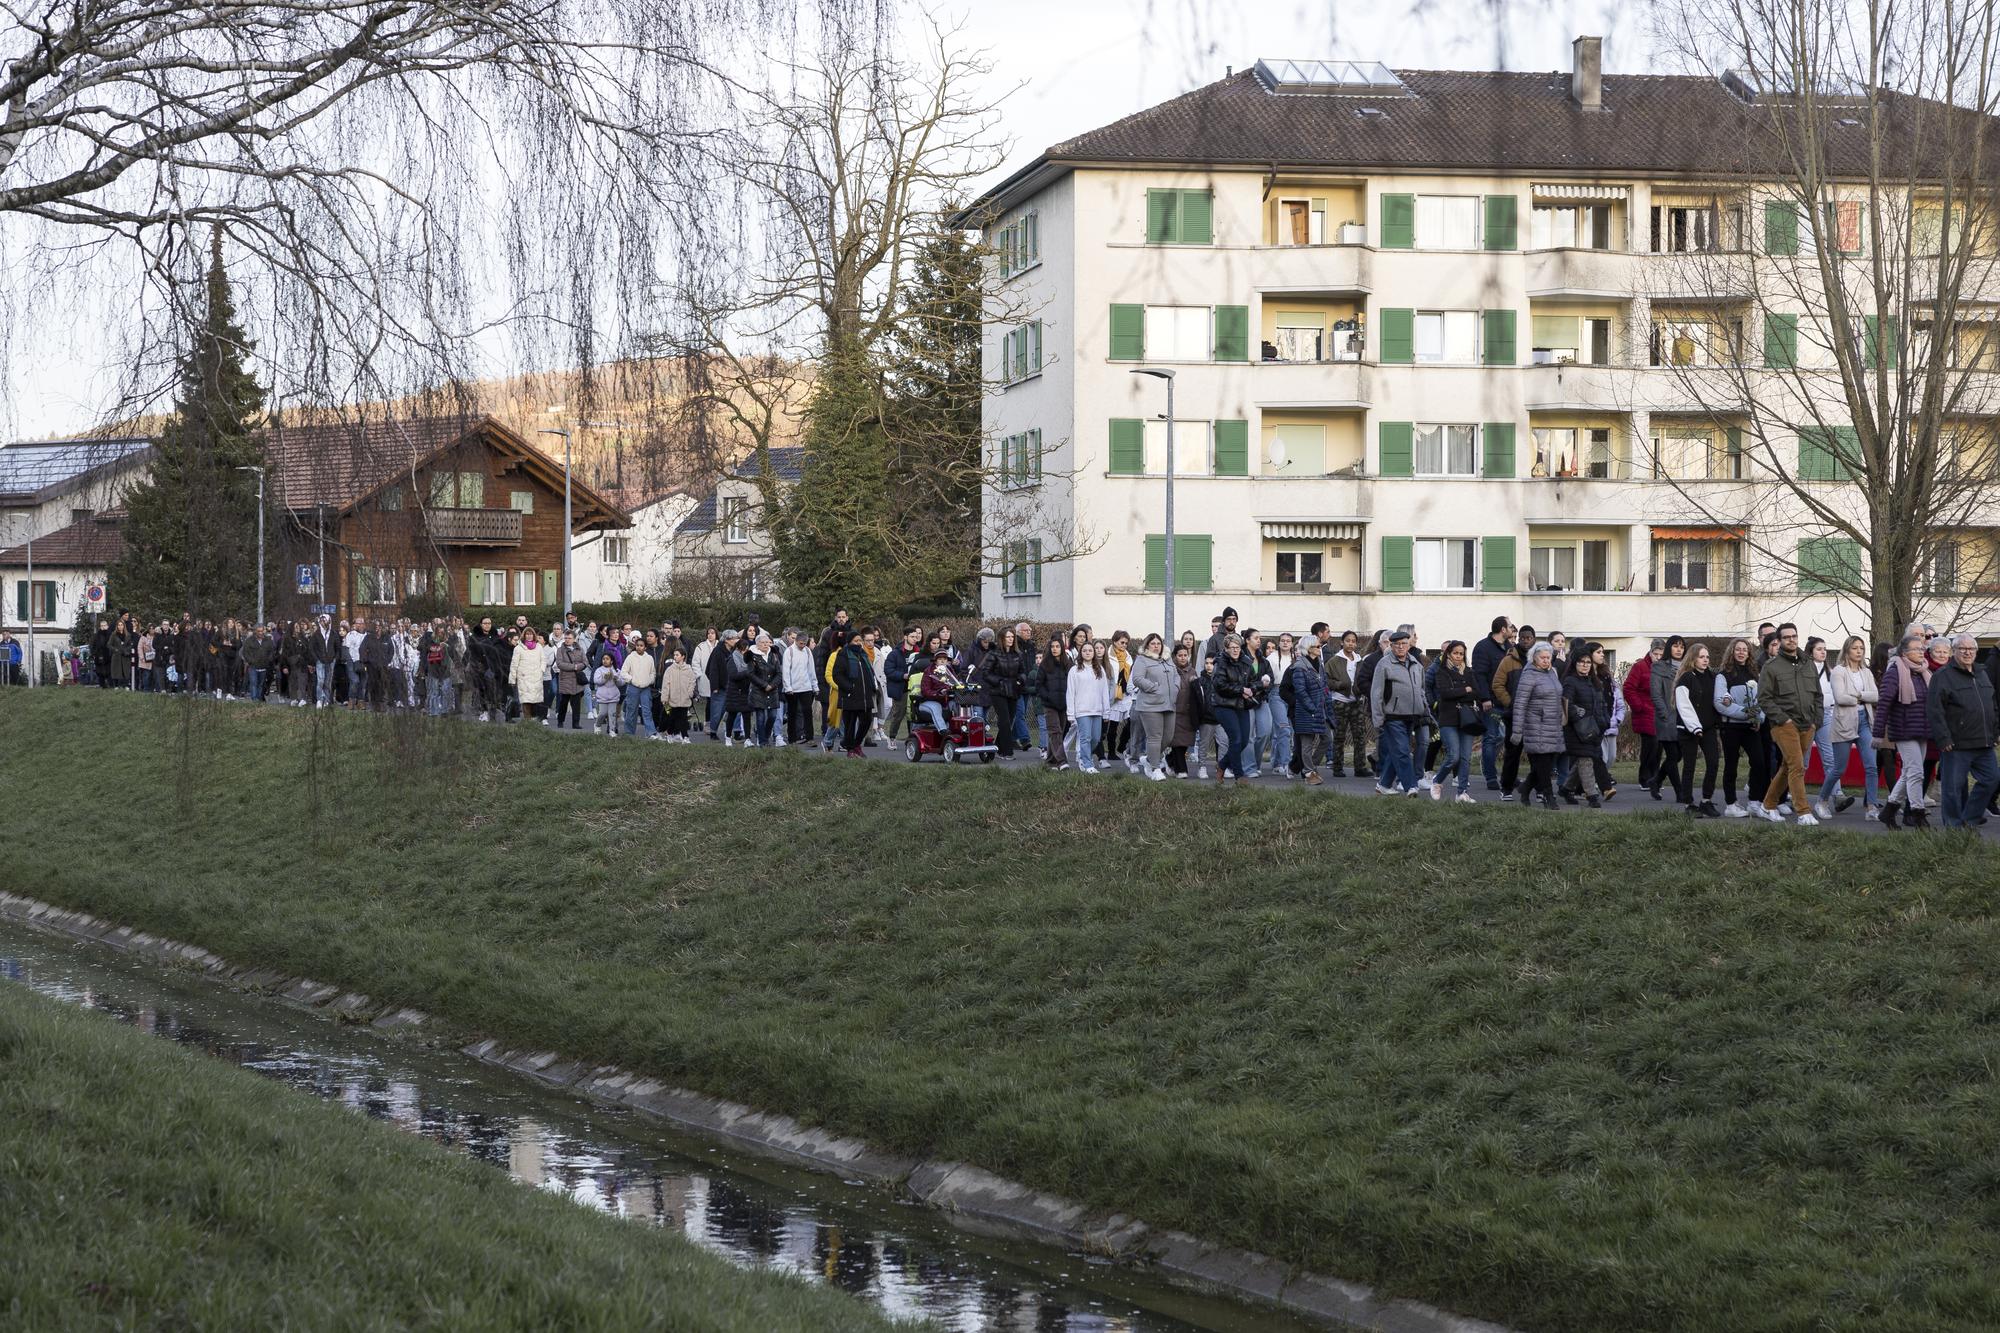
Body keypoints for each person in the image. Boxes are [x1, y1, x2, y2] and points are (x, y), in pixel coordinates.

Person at [1927, 632, 2000, 829]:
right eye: (1963, 649)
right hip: (1957, 743)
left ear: (1976, 651)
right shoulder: (1943, 676)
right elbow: (1934, 710)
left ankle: (1969, 819)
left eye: (1971, 649)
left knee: (1992, 779)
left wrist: (1994, 732)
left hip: (1984, 742)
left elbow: (1992, 704)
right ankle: (1953, 827)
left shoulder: (1981, 673)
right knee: (1953, 788)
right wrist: (1943, 738)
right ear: (1954, 651)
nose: (1967, 652)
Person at [1756, 623, 1822, 825]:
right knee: (1797, 766)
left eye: (1794, 636)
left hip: (1807, 724)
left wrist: (1815, 721)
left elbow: (1818, 695)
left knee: (1787, 767)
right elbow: (1764, 698)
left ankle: (1767, 805)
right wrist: (1783, 719)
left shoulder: (1808, 664)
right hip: (1783, 724)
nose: (1791, 640)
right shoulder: (1772, 666)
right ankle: (1803, 812)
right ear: (1780, 641)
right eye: (1786, 637)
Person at [1816, 635, 1880, 821]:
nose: (1859, 651)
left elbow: (1876, 696)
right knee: (1839, 768)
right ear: (1847, 650)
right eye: (1855, 648)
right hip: (1844, 722)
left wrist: (1858, 694)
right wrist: (1862, 697)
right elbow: (1840, 698)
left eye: (1861, 648)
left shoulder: (1866, 672)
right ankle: (1821, 801)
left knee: (1871, 767)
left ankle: (1871, 807)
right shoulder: (1839, 671)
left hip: (1865, 722)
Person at [1877, 632, 1933, 829]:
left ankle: (1888, 811)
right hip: (1903, 730)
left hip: (1922, 730)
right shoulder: (1895, 671)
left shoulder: (1923, 672)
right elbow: (1884, 703)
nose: (1921, 652)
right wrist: (1877, 734)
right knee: (1917, 772)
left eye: (1922, 649)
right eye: (1916, 649)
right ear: (1904, 652)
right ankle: (1917, 814)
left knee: (1909, 772)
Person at [1712, 639, 1767, 817]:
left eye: (1745, 650)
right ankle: (1731, 804)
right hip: (1731, 728)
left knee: (1759, 763)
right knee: (1731, 766)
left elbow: (1761, 700)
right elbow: (1721, 704)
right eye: (1738, 649)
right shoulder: (1723, 675)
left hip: (1751, 727)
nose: (1741, 652)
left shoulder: (1754, 674)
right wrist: (1747, 713)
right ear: (1732, 652)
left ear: (1749, 653)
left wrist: (1758, 717)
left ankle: (1754, 801)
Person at [1368, 630, 1425, 796]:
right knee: (1402, 751)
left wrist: (1424, 711)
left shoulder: (1416, 665)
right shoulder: (1384, 664)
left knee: (1396, 752)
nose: (1400, 647)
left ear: (1409, 645)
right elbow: (1376, 693)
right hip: (1392, 717)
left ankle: (1384, 784)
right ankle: (1411, 786)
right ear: (1391, 646)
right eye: (1396, 644)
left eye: (1404, 643)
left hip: (1412, 715)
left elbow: (1421, 691)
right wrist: (1378, 719)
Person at [1510, 642, 1565, 810]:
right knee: (1543, 765)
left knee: (1545, 765)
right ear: (1534, 658)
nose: (1546, 660)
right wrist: (1517, 731)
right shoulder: (1529, 675)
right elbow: (1520, 705)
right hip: (1536, 726)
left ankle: (1525, 788)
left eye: (1548, 657)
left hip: (1553, 726)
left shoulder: (1552, 673)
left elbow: (1557, 698)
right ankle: (1549, 796)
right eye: (1542, 657)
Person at [1428, 639, 1480, 802]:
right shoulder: (1441, 672)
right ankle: (1437, 781)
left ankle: (1461, 792)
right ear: (1449, 654)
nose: (1459, 657)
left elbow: (1476, 693)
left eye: (1461, 654)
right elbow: (1445, 693)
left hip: (1467, 718)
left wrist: (1459, 692)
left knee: (1465, 757)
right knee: (1454, 756)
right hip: (1448, 718)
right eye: (1455, 653)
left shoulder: (1469, 672)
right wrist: (1465, 689)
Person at [1673, 644, 1721, 816]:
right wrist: (1695, 727)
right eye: (1702, 657)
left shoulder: (1713, 677)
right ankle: (1688, 803)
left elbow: (1719, 698)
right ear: (1693, 659)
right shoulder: (1686, 678)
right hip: (1688, 729)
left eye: (1707, 657)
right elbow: (1684, 706)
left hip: (1708, 728)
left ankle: (1706, 800)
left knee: (1714, 762)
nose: (1705, 660)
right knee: (1690, 765)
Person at [1280, 635, 1330, 786]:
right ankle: (1308, 771)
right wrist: (1309, 707)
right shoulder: (1297, 667)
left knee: (1328, 738)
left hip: (1319, 710)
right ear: (1308, 649)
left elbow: (1324, 688)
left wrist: (1326, 704)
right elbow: (1298, 691)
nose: (1320, 649)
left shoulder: (1319, 666)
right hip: (1303, 711)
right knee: (1304, 743)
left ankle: (1307, 767)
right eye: (1317, 647)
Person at [1562, 649, 1610, 807]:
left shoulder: (1594, 682)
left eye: (1588, 662)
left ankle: (1566, 789)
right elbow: (1566, 704)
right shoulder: (1570, 681)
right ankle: (1592, 796)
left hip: (1594, 728)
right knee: (1586, 760)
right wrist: (1578, 718)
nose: (1585, 665)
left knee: (1584, 760)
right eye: (1581, 662)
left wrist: (1604, 722)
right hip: (1576, 730)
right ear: (1575, 663)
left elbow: (1602, 705)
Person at [1210, 632, 1259, 785]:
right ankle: (1239, 776)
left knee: (1244, 741)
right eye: (1232, 648)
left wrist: (1252, 689)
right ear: (1226, 648)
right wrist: (1241, 690)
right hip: (1223, 705)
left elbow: (1253, 681)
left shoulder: (1246, 661)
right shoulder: (1220, 663)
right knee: (1236, 739)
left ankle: (1222, 764)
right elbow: (1220, 685)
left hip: (1241, 705)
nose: (1235, 650)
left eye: (1237, 647)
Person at [980, 627, 1028, 760]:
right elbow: (985, 673)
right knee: (1005, 721)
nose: (1011, 639)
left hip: (1013, 691)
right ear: (1002, 638)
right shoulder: (993, 654)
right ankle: (1007, 751)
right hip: (998, 692)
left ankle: (998, 747)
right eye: (1008, 637)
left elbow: (1023, 671)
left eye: (1012, 637)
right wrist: (1000, 681)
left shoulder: (1018, 654)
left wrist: (1021, 680)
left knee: (1009, 720)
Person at [1064, 641, 1111, 774]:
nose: (1088, 653)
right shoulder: (1074, 670)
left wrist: (1106, 712)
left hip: (1097, 710)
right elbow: (1071, 692)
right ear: (1081, 653)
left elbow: (1104, 691)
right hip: (1081, 711)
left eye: (1090, 650)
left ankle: (1084, 757)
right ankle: (1087, 763)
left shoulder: (1099, 669)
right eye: (1085, 650)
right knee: (1085, 737)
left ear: (1094, 653)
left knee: (1096, 738)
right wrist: (1070, 714)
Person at [1326, 629, 1367, 778]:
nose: (1351, 643)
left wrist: (1360, 689)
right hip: (1340, 702)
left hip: (1356, 702)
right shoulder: (1334, 661)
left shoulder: (1359, 660)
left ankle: (1360, 767)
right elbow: (1327, 680)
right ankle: (1337, 767)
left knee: (1360, 735)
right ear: (1342, 642)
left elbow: (1364, 678)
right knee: (1339, 736)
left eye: (1353, 641)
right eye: (1348, 640)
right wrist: (1339, 685)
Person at [831, 629, 875, 757]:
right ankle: (851, 749)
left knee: (866, 720)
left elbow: (869, 672)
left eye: (860, 640)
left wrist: (872, 686)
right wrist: (850, 687)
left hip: (865, 696)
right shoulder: (843, 654)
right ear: (849, 642)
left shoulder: (863, 654)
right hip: (850, 696)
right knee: (850, 724)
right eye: (856, 641)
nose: (859, 643)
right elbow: (837, 675)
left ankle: (856, 744)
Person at [1624, 639, 1661, 790]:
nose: (1658, 657)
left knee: (1659, 747)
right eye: (1655, 654)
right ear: (1650, 652)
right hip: (1645, 712)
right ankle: (1645, 778)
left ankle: (1655, 778)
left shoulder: (1664, 668)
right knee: (1649, 746)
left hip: (1660, 713)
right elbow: (1628, 688)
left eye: (1661, 654)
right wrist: (1639, 706)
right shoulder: (1640, 667)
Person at [1030, 636, 1071, 771]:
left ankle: (1050, 761)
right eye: (1052, 647)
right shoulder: (1045, 664)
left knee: (1060, 732)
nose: (1054, 649)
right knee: (1055, 732)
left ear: (1062, 648)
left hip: (1064, 705)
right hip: (1049, 705)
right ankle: (1062, 761)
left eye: (1057, 646)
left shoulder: (1068, 664)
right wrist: (1046, 697)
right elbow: (1038, 685)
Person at [618, 635, 659, 738]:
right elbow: (623, 672)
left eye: (641, 646)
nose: (639, 647)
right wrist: (631, 680)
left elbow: (652, 673)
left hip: (645, 688)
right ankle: (629, 732)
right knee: (631, 710)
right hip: (633, 687)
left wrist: (649, 681)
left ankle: (650, 733)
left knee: (647, 711)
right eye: (637, 645)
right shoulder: (631, 657)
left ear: (645, 647)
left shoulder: (649, 658)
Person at [549, 631, 587, 730]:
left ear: (574, 639)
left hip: (577, 681)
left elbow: (585, 662)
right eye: (565, 638)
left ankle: (576, 723)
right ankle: (560, 721)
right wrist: (574, 667)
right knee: (563, 703)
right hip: (565, 680)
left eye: (569, 638)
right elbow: (560, 664)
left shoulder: (580, 649)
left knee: (576, 704)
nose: (567, 640)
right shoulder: (560, 650)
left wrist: (577, 667)